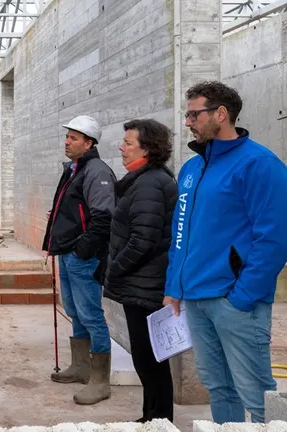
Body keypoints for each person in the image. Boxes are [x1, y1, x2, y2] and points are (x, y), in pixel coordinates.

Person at [163, 81, 287, 423]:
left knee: (256, 391)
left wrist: (243, 296)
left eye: (195, 114)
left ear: (221, 114)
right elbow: (181, 233)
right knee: (219, 387)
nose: (188, 121)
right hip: (195, 298)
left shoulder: (259, 165)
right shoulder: (192, 169)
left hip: (235, 301)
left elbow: (276, 239)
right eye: (187, 113)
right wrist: (174, 287)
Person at [103, 119, 178, 422]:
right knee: (148, 359)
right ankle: (152, 419)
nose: (121, 147)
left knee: (150, 360)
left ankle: (159, 421)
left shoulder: (150, 184)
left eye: (128, 142)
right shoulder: (145, 180)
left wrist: (115, 269)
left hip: (145, 285)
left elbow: (143, 240)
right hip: (142, 282)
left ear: (148, 148)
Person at [42, 115, 116, 405]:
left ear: (89, 143)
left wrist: (82, 250)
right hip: (68, 252)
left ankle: (100, 380)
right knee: (74, 309)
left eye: (73, 138)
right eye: (67, 136)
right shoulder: (74, 170)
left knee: (90, 314)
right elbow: (77, 211)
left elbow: (103, 218)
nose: (67, 141)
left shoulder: (96, 171)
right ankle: (82, 367)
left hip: (82, 257)